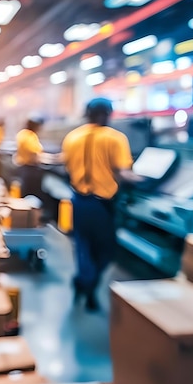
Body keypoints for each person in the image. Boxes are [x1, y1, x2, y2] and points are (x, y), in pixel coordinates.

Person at [61, 98, 136, 311]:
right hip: (102, 206)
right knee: (106, 251)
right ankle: (89, 285)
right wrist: (146, 179)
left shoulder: (72, 137)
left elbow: (66, 166)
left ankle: (83, 281)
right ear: (108, 113)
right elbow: (124, 173)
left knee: (83, 245)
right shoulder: (115, 139)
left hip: (79, 201)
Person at [14, 113, 46, 198]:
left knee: (25, 192)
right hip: (30, 169)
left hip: (24, 168)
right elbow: (34, 153)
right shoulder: (29, 136)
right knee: (32, 193)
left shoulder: (22, 134)